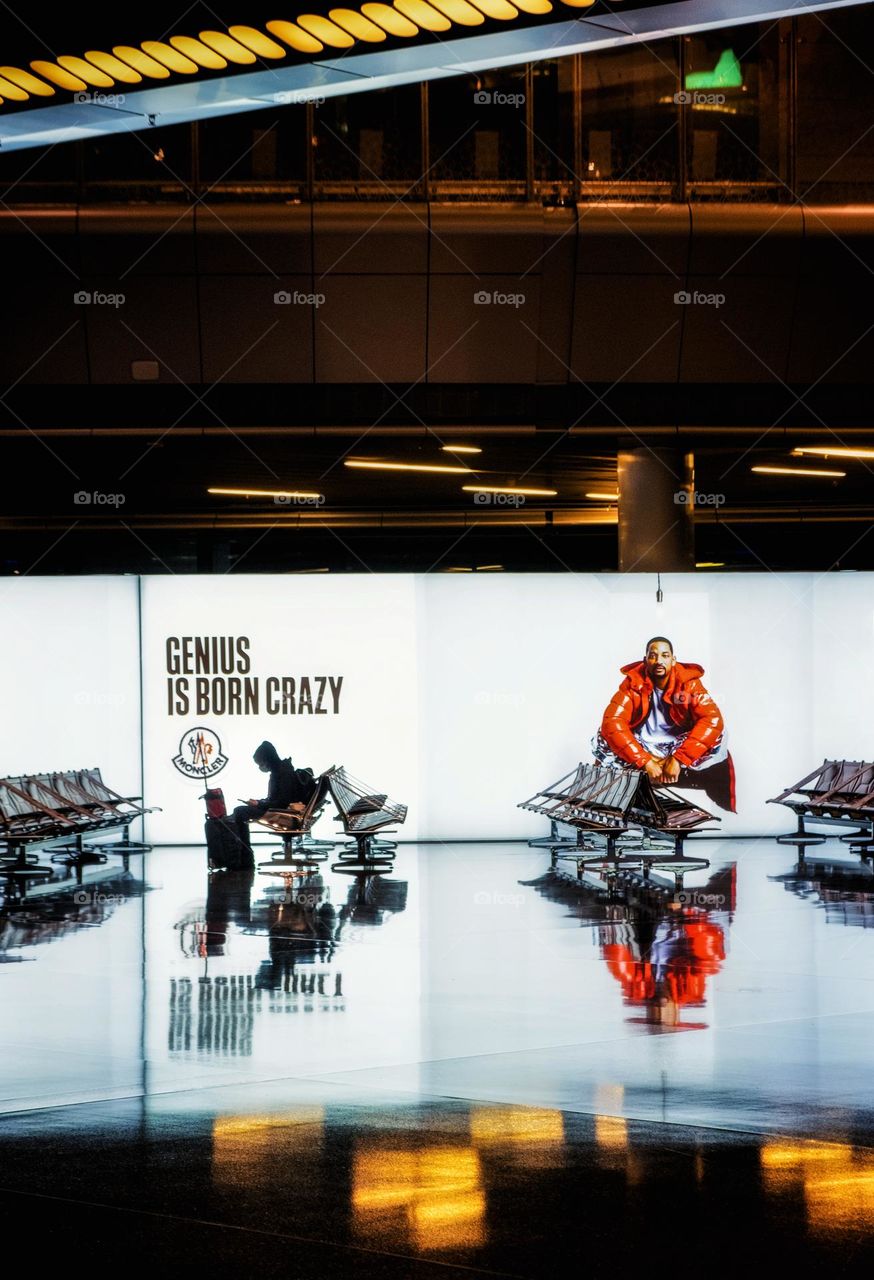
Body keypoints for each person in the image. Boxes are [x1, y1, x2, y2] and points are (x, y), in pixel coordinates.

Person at [593, 636, 736, 812]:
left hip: (678, 746)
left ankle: (672, 763)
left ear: (673, 660)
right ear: (645, 660)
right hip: (644, 747)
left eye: (665, 655)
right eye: (653, 656)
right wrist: (645, 761)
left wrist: (678, 759)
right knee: (603, 735)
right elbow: (612, 722)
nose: (659, 661)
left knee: (720, 733)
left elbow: (712, 719)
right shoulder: (634, 683)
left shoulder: (688, 684)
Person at [232, 741, 317, 835]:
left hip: (284, 815)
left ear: (267, 760)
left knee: (239, 812)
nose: (260, 767)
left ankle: (244, 849)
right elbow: (276, 799)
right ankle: (243, 848)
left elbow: (283, 802)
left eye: (260, 764)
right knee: (238, 813)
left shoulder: (284, 774)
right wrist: (258, 802)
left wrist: (259, 804)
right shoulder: (281, 771)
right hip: (279, 811)